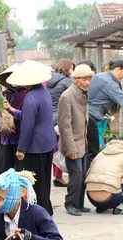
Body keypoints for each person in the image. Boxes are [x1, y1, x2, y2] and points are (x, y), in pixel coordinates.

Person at [7, 60, 58, 216]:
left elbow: (28, 125)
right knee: (45, 179)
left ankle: (41, 212)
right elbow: (33, 117)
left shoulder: (30, 98)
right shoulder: (44, 92)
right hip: (48, 142)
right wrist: (13, 111)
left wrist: (22, 148)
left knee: (36, 181)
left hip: (35, 146)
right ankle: (46, 208)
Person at [57, 64, 95, 216]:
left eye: (89, 79)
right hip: (72, 142)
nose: (87, 82)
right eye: (84, 79)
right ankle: (70, 203)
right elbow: (64, 126)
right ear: (76, 80)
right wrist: (70, 148)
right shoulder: (67, 96)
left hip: (82, 141)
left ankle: (79, 203)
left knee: (82, 174)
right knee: (76, 175)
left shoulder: (82, 93)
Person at [85, 137, 123, 214]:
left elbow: (88, 174)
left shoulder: (100, 154)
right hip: (112, 199)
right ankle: (120, 206)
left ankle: (101, 207)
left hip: (92, 198)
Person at [0, 64, 28, 174]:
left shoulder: (26, 94)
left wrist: (11, 109)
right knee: (5, 170)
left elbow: (27, 116)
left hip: (19, 137)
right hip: (5, 138)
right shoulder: (3, 94)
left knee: (20, 170)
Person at [47, 59, 75, 187]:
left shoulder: (48, 81)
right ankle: (68, 174)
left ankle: (57, 176)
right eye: (72, 68)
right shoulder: (67, 82)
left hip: (50, 119)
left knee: (55, 148)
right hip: (62, 118)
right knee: (65, 146)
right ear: (68, 68)